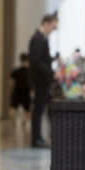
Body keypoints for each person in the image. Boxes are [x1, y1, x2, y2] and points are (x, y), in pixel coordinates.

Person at [28, 14, 58, 148]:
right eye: (52, 26)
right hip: (40, 81)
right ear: (46, 23)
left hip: (42, 80)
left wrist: (53, 59)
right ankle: (36, 139)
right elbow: (37, 61)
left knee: (40, 110)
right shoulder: (38, 39)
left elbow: (41, 59)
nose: (53, 29)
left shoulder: (41, 39)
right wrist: (51, 72)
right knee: (38, 110)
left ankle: (38, 137)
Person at [9, 53, 31, 128]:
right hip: (25, 93)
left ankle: (14, 120)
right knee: (27, 110)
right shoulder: (29, 71)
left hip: (17, 92)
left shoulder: (16, 71)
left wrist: (12, 90)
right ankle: (24, 122)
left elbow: (11, 82)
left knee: (13, 107)